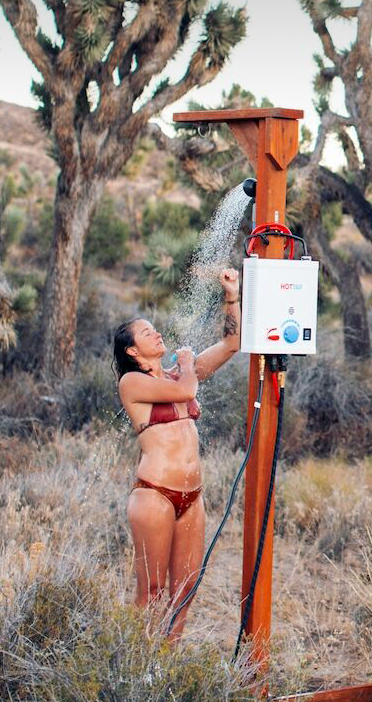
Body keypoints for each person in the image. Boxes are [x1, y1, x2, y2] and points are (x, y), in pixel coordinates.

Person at [114, 268, 241, 640]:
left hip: (192, 498)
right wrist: (187, 364)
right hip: (155, 495)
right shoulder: (133, 382)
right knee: (150, 593)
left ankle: (167, 666)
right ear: (133, 351)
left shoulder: (177, 374)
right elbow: (188, 391)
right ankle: (137, 669)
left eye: (154, 327)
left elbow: (231, 346)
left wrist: (231, 296)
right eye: (146, 332)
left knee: (184, 590)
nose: (156, 332)